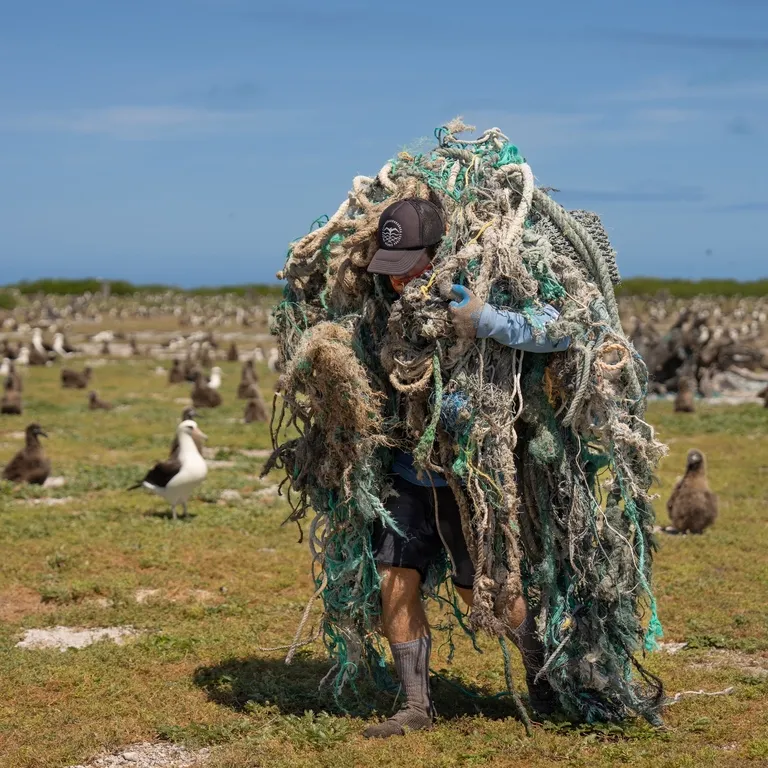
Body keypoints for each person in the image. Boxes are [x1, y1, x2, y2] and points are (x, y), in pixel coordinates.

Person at [362, 198, 570, 739]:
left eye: (411, 264)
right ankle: (414, 705)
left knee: (483, 589)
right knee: (395, 577)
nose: (400, 280)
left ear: (438, 252)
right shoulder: (379, 302)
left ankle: (545, 682)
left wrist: (488, 320)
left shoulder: (490, 280)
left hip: (470, 469)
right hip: (408, 468)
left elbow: (565, 326)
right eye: (391, 268)